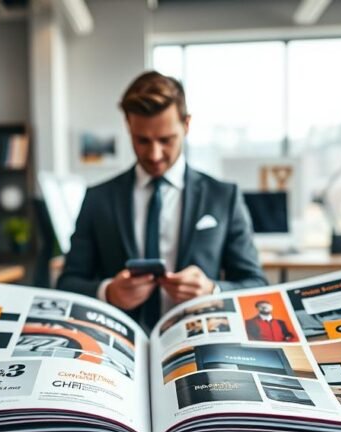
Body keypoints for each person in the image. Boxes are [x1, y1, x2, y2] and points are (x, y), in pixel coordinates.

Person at [57, 71, 267, 330]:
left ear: (187, 125)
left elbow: (256, 285)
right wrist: (108, 292)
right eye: (142, 140)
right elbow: (67, 284)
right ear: (128, 126)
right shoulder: (98, 198)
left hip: (196, 341)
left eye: (166, 140)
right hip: (120, 346)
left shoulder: (224, 196)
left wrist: (212, 291)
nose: (154, 154)